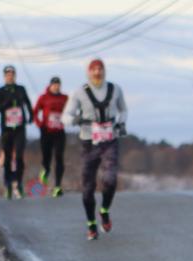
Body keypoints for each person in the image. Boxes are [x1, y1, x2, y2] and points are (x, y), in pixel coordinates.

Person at [61, 58, 128, 240]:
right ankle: (91, 224)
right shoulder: (79, 92)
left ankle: (104, 210)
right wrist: (75, 120)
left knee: (110, 179)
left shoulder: (115, 90)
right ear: (88, 72)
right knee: (88, 187)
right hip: (88, 142)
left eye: (100, 69)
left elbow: (124, 110)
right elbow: (66, 115)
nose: (97, 72)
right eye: (94, 70)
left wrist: (121, 124)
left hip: (109, 141)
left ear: (104, 71)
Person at [0, 65, 33, 199]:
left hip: (20, 128)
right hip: (7, 129)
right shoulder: (1, 91)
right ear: (5, 76)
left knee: (19, 156)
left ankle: (19, 182)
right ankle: (8, 183)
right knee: (8, 157)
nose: (10, 76)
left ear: (15, 75)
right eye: (8, 74)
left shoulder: (21, 89)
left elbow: (27, 103)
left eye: (12, 74)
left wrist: (31, 115)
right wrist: (6, 104)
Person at [33, 76, 68, 197]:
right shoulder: (43, 97)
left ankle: (57, 186)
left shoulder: (65, 98)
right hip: (46, 132)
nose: (56, 86)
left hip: (59, 131)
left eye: (58, 84)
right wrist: (39, 123)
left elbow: (70, 111)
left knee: (59, 157)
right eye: (54, 84)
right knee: (47, 158)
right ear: (50, 85)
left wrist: (68, 120)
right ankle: (45, 171)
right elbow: (35, 111)